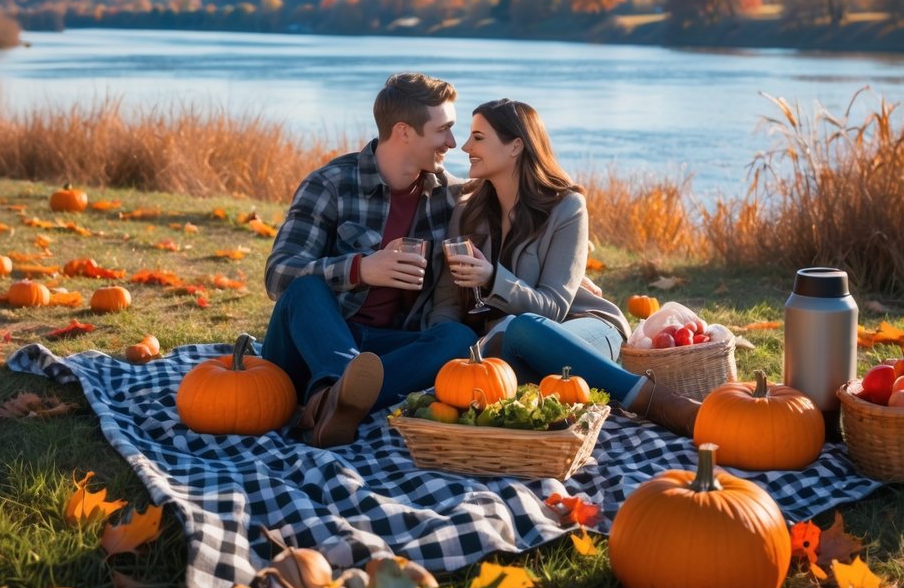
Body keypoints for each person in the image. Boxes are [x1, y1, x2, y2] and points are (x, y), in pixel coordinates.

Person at [426, 98, 700, 437]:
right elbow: (446, 303)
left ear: (516, 146)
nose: (466, 146)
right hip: (503, 346)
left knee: (521, 328)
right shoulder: (467, 212)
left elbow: (554, 307)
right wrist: (448, 349)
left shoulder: (566, 206)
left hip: (581, 328)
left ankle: (662, 404)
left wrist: (493, 279)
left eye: (478, 137)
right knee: (502, 360)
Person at [262, 72, 479, 448]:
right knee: (304, 290)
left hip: (386, 349)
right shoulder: (330, 184)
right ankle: (344, 384)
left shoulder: (450, 196)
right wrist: (362, 268)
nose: (453, 142)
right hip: (311, 345)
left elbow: (517, 201)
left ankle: (332, 401)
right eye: (443, 130)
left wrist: (569, 283)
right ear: (404, 131)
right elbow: (278, 275)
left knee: (458, 339)